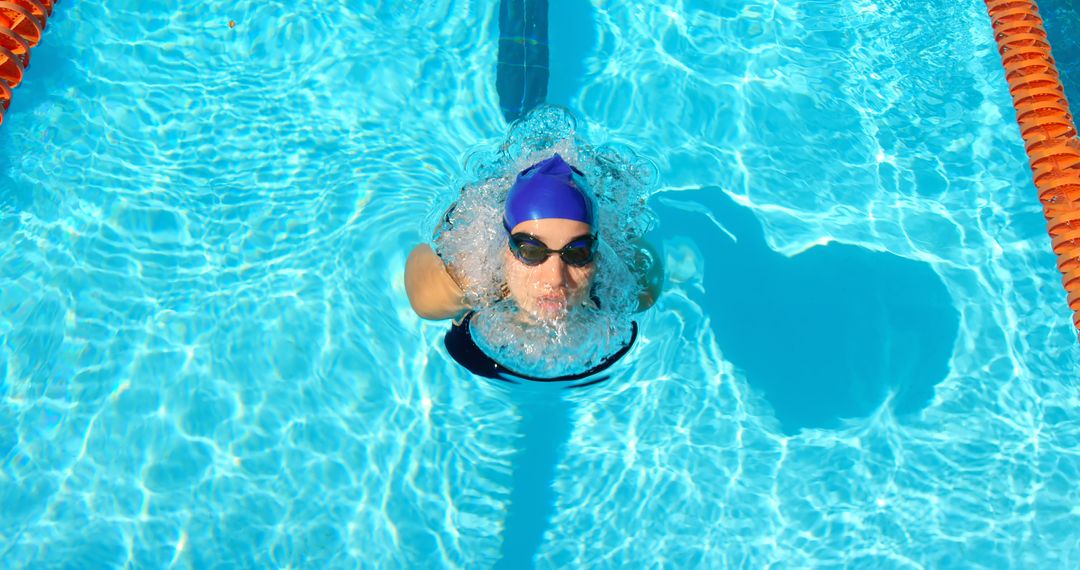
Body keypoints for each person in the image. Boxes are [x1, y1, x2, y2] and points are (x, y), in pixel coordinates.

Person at [404, 153, 662, 383]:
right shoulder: (457, 286)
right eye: (531, 251)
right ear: (503, 250)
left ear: (597, 256)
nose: (555, 278)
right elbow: (421, 260)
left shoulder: (636, 288)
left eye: (577, 253)